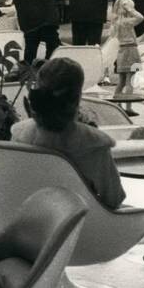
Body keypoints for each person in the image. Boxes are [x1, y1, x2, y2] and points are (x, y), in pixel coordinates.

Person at [11, 57, 126, 209]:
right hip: (85, 227)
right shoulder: (94, 145)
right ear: (77, 96)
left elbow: (15, 186)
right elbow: (114, 198)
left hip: (29, 224)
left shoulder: (19, 135)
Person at [108, 0, 144, 99]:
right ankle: (129, 105)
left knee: (122, 81)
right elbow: (140, 17)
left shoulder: (116, 22)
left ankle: (118, 100)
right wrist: (129, 8)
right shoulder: (127, 22)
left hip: (122, 51)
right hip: (131, 50)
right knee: (130, 80)